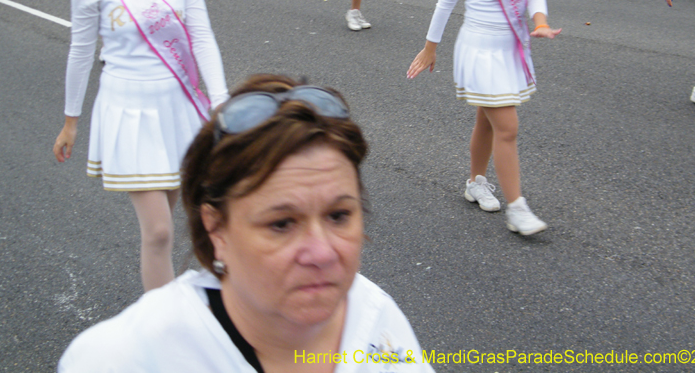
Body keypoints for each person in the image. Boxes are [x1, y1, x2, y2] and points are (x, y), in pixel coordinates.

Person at [58, 74, 436, 373]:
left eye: (339, 216)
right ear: (216, 228)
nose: (322, 252)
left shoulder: (376, 317)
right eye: (282, 223)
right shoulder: (124, 358)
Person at [53, 0, 230, 293]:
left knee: (176, 219)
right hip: (128, 109)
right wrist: (70, 120)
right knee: (158, 233)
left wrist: (220, 101)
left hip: (179, 107)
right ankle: (161, 332)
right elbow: (81, 52)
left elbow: (201, 36)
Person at [407, 0, 560, 235]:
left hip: (511, 47)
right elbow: (446, 2)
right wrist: (431, 47)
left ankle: (476, 181)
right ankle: (518, 208)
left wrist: (540, 22)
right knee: (507, 127)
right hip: (478, 49)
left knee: (486, 120)